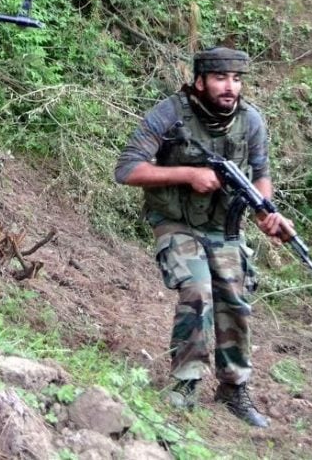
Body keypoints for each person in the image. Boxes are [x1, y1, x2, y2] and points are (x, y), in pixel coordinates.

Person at [114, 47, 289, 428]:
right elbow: (127, 169)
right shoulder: (170, 113)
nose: (230, 87)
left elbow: (261, 173)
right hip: (176, 222)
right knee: (197, 291)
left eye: (237, 79)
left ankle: (233, 388)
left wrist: (265, 211)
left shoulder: (250, 120)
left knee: (235, 299)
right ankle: (186, 381)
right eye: (221, 78)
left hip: (224, 225)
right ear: (200, 81)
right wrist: (186, 175)